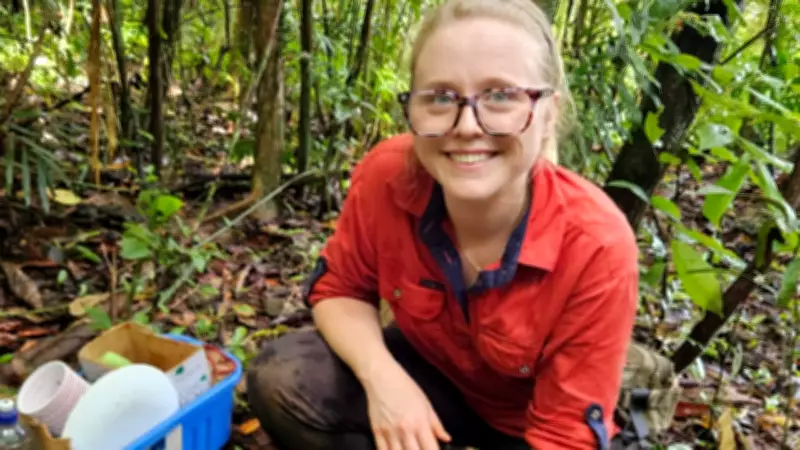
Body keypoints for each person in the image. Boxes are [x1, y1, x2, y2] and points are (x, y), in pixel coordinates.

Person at [246, 0, 640, 449]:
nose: (467, 126)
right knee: (282, 378)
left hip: (530, 428)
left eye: (501, 96)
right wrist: (385, 381)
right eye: (439, 97)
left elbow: (564, 435)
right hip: (434, 383)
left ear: (549, 113)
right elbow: (340, 289)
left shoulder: (596, 244)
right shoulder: (387, 176)